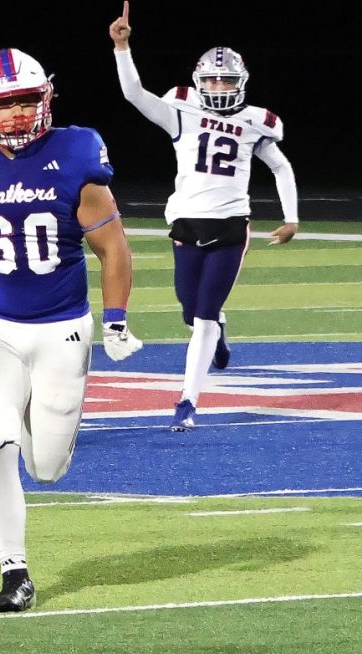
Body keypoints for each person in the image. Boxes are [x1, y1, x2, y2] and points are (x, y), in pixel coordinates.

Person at [0, 48, 137, 614]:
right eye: (2, 104)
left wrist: (116, 319)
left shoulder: (76, 149)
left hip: (61, 327)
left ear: (46, 97)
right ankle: (14, 571)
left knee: (46, 467)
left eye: (25, 100)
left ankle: (24, 413)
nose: (17, 113)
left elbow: (113, 245)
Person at [108, 1, 299, 430]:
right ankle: (218, 329)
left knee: (204, 315)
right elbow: (134, 93)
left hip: (230, 224)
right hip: (186, 221)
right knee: (189, 309)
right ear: (199, 81)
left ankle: (187, 402)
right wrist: (122, 48)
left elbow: (281, 166)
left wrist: (292, 217)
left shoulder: (254, 121)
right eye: (212, 78)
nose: (219, 85)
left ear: (241, 82)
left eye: (226, 79)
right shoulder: (182, 110)